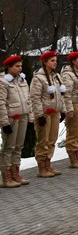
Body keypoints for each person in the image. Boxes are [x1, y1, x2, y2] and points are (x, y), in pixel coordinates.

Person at [30, 50, 66, 177]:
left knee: (52, 139)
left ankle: (48, 164)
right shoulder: (38, 78)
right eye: (52, 61)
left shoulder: (56, 77)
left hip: (55, 112)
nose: (55, 63)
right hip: (44, 114)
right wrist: (39, 115)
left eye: (56, 60)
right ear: (45, 62)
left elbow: (61, 95)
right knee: (43, 140)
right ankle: (42, 167)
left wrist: (63, 110)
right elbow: (35, 98)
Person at [0, 55, 31, 187]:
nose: (20, 68)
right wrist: (4, 122)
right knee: (9, 147)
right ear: (9, 67)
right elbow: (1, 103)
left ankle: (15, 174)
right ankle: (6, 176)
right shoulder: (3, 82)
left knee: (18, 147)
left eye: (21, 66)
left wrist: (30, 116)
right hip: (11, 118)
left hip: (22, 115)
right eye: (17, 66)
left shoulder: (22, 80)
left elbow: (28, 99)